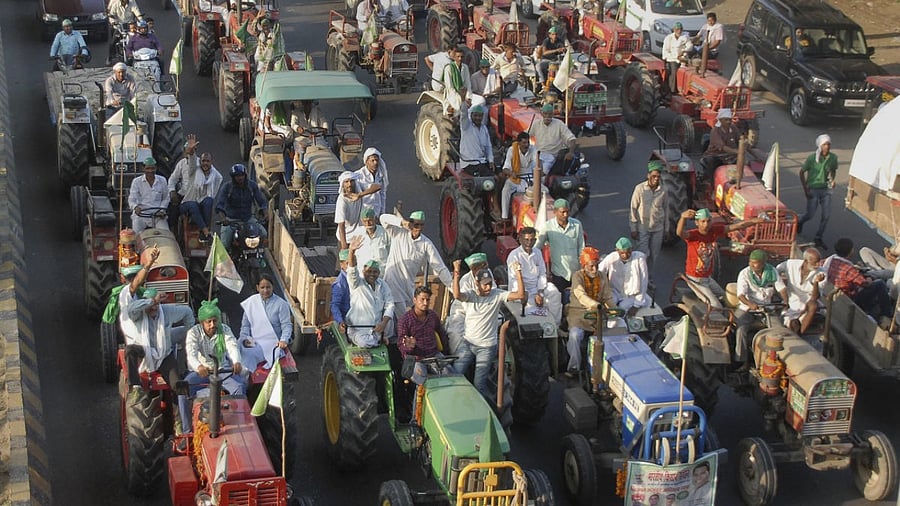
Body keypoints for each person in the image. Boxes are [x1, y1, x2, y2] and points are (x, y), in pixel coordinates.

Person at [452, 258, 525, 397]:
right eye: (484, 285)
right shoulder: (470, 295)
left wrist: (518, 273)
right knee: (455, 375)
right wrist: (456, 272)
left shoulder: (497, 294)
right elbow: (456, 295)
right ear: (476, 283)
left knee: (479, 384)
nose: (487, 288)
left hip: (486, 347)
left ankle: (489, 412)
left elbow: (520, 295)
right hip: (468, 343)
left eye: (490, 284)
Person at [381, 211, 453, 329]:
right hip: (392, 283)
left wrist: (452, 287)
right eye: (415, 225)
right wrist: (402, 222)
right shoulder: (399, 233)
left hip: (409, 287)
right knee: (404, 321)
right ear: (410, 223)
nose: (418, 228)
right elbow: (383, 218)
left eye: (421, 225)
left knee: (410, 319)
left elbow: (439, 267)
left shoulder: (426, 243)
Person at [677, 208, 762, 308]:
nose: (706, 224)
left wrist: (757, 221)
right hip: (695, 279)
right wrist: (683, 217)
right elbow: (679, 233)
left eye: (708, 221)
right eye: (702, 221)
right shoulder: (693, 235)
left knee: (728, 299)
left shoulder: (713, 231)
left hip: (707, 278)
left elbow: (737, 226)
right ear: (697, 223)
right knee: (716, 306)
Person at [123, 287, 196, 400]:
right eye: (150, 305)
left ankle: (179, 415)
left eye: (156, 305)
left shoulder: (166, 311)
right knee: (130, 350)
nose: (153, 308)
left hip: (164, 354)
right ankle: (135, 387)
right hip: (144, 351)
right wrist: (152, 301)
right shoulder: (138, 314)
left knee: (179, 386)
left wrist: (191, 335)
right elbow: (130, 308)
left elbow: (187, 312)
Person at [566, 247, 615, 376]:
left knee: (619, 326)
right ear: (584, 265)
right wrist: (596, 305)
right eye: (591, 266)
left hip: (598, 316)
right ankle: (574, 367)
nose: (595, 269)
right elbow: (581, 296)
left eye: (596, 265)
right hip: (580, 315)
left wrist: (614, 309)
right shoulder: (577, 276)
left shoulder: (602, 276)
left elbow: (608, 296)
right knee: (575, 335)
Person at [824, 238, 894, 325]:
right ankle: (886, 315)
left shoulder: (829, 260)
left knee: (873, 273)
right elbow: (865, 284)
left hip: (834, 293)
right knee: (880, 283)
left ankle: (877, 272)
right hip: (849, 300)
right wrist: (869, 279)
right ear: (850, 252)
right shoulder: (848, 269)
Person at [185, 299, 246, 396]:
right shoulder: (193, 332)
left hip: (222, 370)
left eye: (215, 321)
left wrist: (236, 361)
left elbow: (232, 347)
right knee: (184, 390)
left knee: (240, 387)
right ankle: (185, 412)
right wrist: (199, 366)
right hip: (202, 372)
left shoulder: (225, 329)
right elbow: (191, 354)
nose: (212, 325)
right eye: (209, 322)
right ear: (202, 323)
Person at [734, 250, 785, 365]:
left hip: (767, 308)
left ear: (763, 263)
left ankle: (777, 359)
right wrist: (750, 304)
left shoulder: (772, 271)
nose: (752, 265)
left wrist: (785, 301)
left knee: (779, 331)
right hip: (748, 309)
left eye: (755, 263)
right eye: (750, 262)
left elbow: (781, 288)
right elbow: (741, 295)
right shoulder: (744, 273)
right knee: (741, 329)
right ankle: (740, 361)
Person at [168, 136, 222, 242]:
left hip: (199, 199)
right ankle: (174, 234)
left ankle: (204, 232)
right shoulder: (190, 166)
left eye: (207, 162)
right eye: (187, 151)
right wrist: (172, 191)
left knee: (209, 201)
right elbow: (173, 179)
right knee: (175, 210)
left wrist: (208, 196)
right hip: (185, 197)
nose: (205, 164)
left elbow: (216, 182)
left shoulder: (205, 166)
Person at [345, 235, 395, 347]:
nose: (372, 274)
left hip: (376, 332)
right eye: (369, 271)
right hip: (358, 332)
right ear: (363, 271)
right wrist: (351, 251)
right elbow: (352, 270)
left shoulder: (382, 285)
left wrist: (383, 323)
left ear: (379, 273)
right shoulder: (357, 283)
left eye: (375, 272)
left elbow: (390, 305)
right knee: (365, 343)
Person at [507, 227, 563, 324]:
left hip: (537, 288)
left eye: (532, 240)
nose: (529, 243)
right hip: (522, 291)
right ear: (520, 240)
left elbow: (542, 274)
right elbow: (514, 281)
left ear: (535, 240)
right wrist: (530, 294)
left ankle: (555, 325)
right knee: (533, 307)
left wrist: (540, 293)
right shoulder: (514, 255)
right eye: (526, 240)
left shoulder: (537, 252)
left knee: (555, 293)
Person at [239, 274, 292, 369]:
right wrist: (244, 338)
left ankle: (245, 377)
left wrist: (283, 340)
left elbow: (286, 325)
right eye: (262, 287)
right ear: (257, 288)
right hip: (254, 340)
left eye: (268, 287)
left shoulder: (281, 304)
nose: (265, 290)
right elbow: (245, 326)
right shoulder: (251, 303)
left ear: (273, 287)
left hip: (273, 342)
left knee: (250, 355)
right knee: (237, 350)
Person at [444, 253, 493, 354]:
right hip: (463, 313)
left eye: (481, 267)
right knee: (456, 335)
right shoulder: (465, 281)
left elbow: (493, 292)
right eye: (474, 269)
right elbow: (468, 305)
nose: (477, 271)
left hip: (484, 310)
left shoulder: (488, 274)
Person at [215, 163, 268, 252]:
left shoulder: (252, 186)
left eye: (242, 175)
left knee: (263, 234)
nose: (240, 178)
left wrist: (266, 214)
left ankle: (260, 255)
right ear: (233, 177)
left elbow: (262, 202)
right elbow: (219, 205)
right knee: (225, 245)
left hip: (248, 219)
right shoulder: (227, 187)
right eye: (237, 176)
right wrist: (223, 219)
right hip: (231, 221)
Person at [797, 134, 837, 250]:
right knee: (810, 214)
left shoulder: (833, 158)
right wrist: (805, 189)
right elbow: (801, 172)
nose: (827, 147)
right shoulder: (812, 158)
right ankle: (800, 220)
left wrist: (832, 180)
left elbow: (833, 171)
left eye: (829, 144)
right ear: (820, 146)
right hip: (813, 189)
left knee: (826, 215)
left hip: (825, 189)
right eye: (825, 144)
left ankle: (818, 237)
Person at [700, 108, 765, 179]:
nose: (728, 122)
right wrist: (738, 152)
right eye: (726, 120)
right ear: (721, 120)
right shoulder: (715, 131)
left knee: (746, 164)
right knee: (711, 163)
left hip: (731, 157)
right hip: (717, 156)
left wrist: (756, 156)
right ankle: (712, 183)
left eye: (730, 120)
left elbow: (743, 142)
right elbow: (723, 147)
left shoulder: (733, 128)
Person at [537, 199, 585, 291]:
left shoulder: (577, 225)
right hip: (559, 273)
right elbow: (538, 247)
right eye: (562, 212)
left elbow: (581, 247)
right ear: (555, 212)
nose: (565, 215)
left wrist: (583, 268)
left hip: (576, 272)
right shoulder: (548, 227)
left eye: (567, 212)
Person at [629, 160, 667, 274]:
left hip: (658, 228)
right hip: (643, 227)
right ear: (648, 175)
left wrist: (667, 229)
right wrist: (633, 228)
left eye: (658, 176)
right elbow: (633, 209)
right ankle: (640, 277)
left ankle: (648, 278)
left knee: (654, 256)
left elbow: (667, 209)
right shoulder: (640, 189)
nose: (656, 179)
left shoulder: (664, 191)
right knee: (643, 255)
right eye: (654, 176)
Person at [776, 247, 825, 334]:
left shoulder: (822, 273)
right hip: (792, 300)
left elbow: (815, 297)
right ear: (806, 261)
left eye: (819, 262)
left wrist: (816, 283)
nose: (818, 265)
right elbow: (776, 271)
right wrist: (780, 283)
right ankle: (795, 330)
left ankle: (799, 335)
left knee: (813, 305)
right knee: (792, 323)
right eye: (815, 263)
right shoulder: (791, 264)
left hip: (809, 302)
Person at [599, 237, 651, 316]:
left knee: (622, 308)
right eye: (622, 253)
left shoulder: (639, 259)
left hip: (632, 295)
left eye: (628, 252)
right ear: (617, 250)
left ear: (632, 249)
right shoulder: (612, 257)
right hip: (615, 291)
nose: (625, 255)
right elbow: (599, 271)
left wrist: (636, 306)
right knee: (607, 306)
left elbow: (644, 282)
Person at [397, 285, 447, 360]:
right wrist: (409, 346)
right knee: (418, 371)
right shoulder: (405, 320)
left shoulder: (433, 316)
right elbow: (401, 345)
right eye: (422, 299)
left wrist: (446, 352)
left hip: (433, 354)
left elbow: (442, 334)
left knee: (449, 371)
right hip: (415, 357)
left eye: (428, 300)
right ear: (414, 300)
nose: (425, 303)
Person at [529, 103, 577, 173]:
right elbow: (526, 135)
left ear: (553, 114)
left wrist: (571, 152)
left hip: (552, 156)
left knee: (545, 170)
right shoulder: (536, 124)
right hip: (538, 155)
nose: (547, 116)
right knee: (529, 169)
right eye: (545, 114)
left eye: (550, 114)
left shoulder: (559, 124)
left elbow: (571, 138)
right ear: (542, 114)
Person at [501, 132, 538, 220]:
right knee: (505, 190)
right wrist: (511, 173)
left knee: (544, 190)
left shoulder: (533, 149)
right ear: (518, 143)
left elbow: (537, 163)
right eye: (524, 143)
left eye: (528, 142)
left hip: (529, 177)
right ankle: (504, 217)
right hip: (515, 178)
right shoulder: (512, 150)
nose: (526, 145)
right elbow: (505, 168)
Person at [129, 157, 170, 234]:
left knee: (165, 233)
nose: (150, 171)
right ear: (143, 168)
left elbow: (166, 198)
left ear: (156, 168)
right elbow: (131, 199)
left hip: (158, 215)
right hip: (141, 215)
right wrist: (135, 207)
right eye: (148, 168)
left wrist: (162, 210)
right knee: (136, 235)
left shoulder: (162, 180)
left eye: (152, 168)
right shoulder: (136, 182)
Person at [459, 102, 494, 174]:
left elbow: (488, 147)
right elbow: (463, 114)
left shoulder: (484, 128)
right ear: (471, 115)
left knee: (501, 174)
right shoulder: (466, 126)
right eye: (475, 115)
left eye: (480, 116)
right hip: (470, 163)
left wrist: (491, 161)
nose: (478, 118)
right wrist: (463, 100)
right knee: (493, 178)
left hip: (482, 161)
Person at [353, 148, 389, 216]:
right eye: (372, 160)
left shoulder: (381, 175)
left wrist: (382, 212)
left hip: (376, 211)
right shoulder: (358, 175)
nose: (375, 163)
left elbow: (383, 194)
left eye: (376, 160)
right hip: (363, 212)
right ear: (367, 162)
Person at [335, 171, 364, 249]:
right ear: (343, 185)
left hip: (358, 238)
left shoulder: (359, 192)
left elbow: (377, 187)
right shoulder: (342, 200)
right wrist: (344, 246)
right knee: (344, 260)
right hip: (346, 238)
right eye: (346, 182)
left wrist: (360, 195)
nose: (349, 184)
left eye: (351, 181)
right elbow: (341, 224)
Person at [661, 22, 690, 94]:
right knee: (674, 73)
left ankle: (684, 89)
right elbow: (665, 51)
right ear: (674, 30)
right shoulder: (669, 38)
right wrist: (675, 57)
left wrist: (684, 51)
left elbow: (690, 45)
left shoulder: (685, 37)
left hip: (683, 58)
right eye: (677, 29)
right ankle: (672, 91)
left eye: (680, 29)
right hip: (672, 59)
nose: (679, 31)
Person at [441, 46, 471, 113]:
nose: (460, 59)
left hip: (465, 93)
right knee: (459, 106)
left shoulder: (465, 67)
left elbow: (468, 84)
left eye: (462, 57)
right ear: (454, 57)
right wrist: (461, 98)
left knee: (480, 101)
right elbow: (450, 87)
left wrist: (469, 97)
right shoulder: (448, 68)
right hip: (452, 94)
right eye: (458, 57)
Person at [331, 249, 351, 331]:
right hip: (348, 319)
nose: (350, 266)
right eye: (347, 263)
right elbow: (334, 305)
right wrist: (340, 321)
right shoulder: (339, 284)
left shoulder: (360, 278)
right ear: (341, 265)